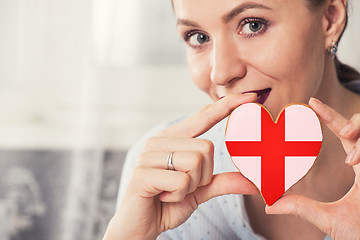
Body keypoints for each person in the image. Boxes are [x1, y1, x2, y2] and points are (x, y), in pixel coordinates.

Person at [103, 0, 360, 239]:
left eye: (253, 25)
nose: (221, 73)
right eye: (199, 37)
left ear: (330, 18)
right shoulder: (164, 167)